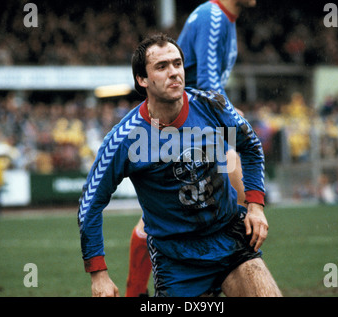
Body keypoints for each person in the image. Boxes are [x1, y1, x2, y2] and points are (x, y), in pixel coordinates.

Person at [78, 34, 281, 297]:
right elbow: (90, 204)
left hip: (230, 240)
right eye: (161, 67)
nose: (173, 72)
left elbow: (250, 145)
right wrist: (99, 275)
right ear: (142, 80)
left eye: (177, 64)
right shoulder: (124, 139)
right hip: (176, 260)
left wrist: (255, 205)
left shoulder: (211, 106)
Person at [125, 0, 257, 297]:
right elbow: (210, 85)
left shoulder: (223, 18)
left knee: (168, 215)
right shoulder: (213, 16)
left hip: (199, 123)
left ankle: (138, 292)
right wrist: (233, 120)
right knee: (239, 201)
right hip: (193, 125)